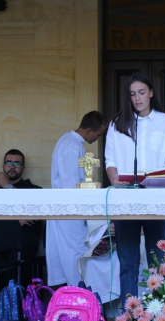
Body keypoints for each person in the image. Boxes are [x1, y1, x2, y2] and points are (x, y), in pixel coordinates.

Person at [105, 72, 165, 309]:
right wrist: (115, 179)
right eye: (132, 94)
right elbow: (110, 160)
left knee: (158, 260)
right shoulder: (117, 123)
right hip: (126, 198)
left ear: (151, 93)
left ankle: (160, 315)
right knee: (127, 261)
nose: (137, 98)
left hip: (157, 198)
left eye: (141, 92)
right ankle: (130, 317)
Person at [46, 111, 107, 287]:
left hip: (69, 207)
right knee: (75, 253)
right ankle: (77, 295)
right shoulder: (71, 146)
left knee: (73, 252)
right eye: (98, 134)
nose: (98, 138)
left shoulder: (72, 142)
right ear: (89, 131)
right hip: (69, 208)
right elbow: (70, 183)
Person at [0, 149, 44, 289]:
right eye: (9, 162)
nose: (12, 166)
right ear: (3, 166)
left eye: (17, 163)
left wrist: (6, 186)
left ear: (23, 168)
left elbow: (32, 217)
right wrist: (15, 221)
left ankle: (21, 303)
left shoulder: (34, 190)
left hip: (24, 243)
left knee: (18, 254)